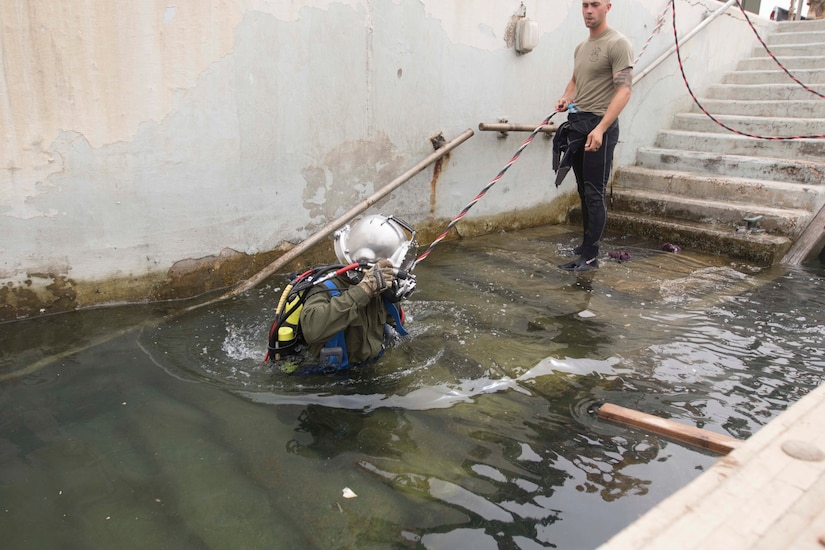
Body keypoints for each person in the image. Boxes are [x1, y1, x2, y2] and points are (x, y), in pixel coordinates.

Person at [268, 214, 417, 374]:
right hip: (328, 383)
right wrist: (364, 290)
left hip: (370, 373)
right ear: (368, 260)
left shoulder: (382, 286)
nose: (395, 271)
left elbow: (395, 326)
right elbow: (313, 330)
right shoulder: (324, 288)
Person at [553, 0, 634, 272]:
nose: (589, 10)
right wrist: (566, 97)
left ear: (607, 7)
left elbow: (624, 90)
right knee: (582, 190)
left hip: (601, 125)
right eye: (585, 5)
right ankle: (586, 244)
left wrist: (600, 128)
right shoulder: (581, 47)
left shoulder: (618, 43)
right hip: (578, 122)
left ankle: (590, 257)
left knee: (594, 192)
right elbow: (576, 81)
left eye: (595, 5)